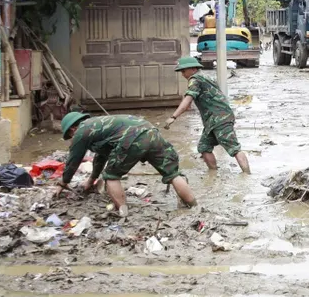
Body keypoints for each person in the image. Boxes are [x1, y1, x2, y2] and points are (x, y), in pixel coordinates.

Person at [57, 111, 196, 213]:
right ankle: (194, 207)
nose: (72, 138)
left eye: (69, 136)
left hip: (131, 139)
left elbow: (73, 161)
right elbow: (100, 157)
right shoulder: (98, 124)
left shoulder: (81, 132)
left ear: (72, 129)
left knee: (111, 176)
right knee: (172, 174)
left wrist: (63, 182)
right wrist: (91, 179)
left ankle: (123, 213)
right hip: (151, 132)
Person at [165, 56, 251, 174]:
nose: (182, 74)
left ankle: (247, 175)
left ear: (193, 69)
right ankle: (213, 174)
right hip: (213, 119)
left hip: (220, 118)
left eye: (183, 71)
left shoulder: (195, 79)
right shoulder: (205, 76)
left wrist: (173, 117)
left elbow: (187, 100)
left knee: (233, 147)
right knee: (204, 147)